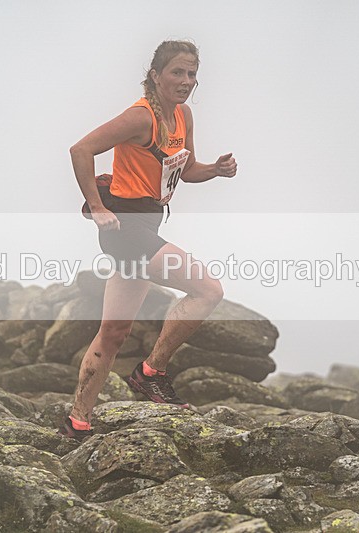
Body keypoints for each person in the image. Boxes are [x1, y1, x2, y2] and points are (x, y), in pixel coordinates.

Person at [60, 40, 237, 441]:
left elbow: (185, 168)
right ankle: (150, 373)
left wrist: (215, 170)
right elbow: (81, 149)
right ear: (155, 76)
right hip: (126, 229)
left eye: (192, 74)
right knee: (208, 290)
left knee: (114, 332)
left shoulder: (182, 116)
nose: (186, 81)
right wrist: (96, 206)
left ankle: (77, 421)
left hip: (148, 226)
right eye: (177, 72)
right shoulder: (141, 118)